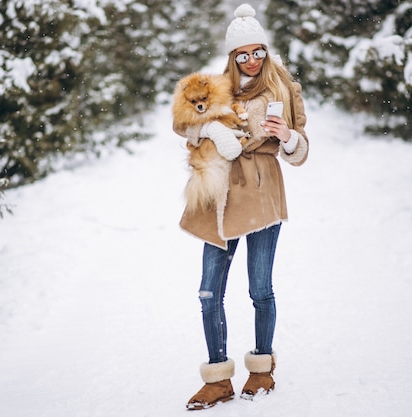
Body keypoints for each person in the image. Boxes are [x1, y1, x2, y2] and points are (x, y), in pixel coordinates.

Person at [173, 3, 309, 410]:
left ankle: (262, 369)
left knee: (259, 288)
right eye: (241, 54)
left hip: (264, 191)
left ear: (265, 51)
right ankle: (217, 379)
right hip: (220, 193)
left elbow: (300, 152)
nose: (250, 60)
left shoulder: (284, 87)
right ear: (232, 56)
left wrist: (287, 135)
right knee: (209, 292)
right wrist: (211, 126)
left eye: (257, 51)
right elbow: (182, 120)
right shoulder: (219, 85)